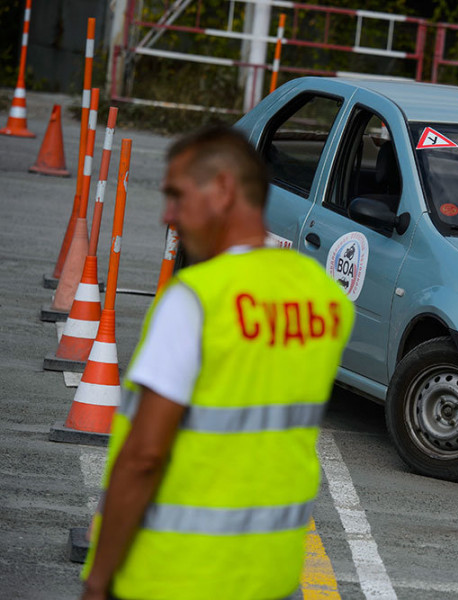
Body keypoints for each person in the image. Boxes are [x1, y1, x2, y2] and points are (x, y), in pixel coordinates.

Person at [80, 126, 355, 600]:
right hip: (273, 576)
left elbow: (144, 456)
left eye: (177, 196)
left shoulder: (198, 299)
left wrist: (99, 580)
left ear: (224, 190)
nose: (168, 216)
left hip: (176, 578)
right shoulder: (324, 299)